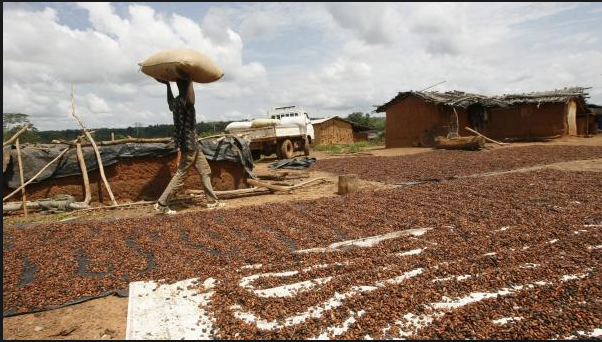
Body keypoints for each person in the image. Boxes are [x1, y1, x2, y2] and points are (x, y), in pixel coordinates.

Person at [154, 77, 225, 214]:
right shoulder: (186, 101)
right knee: (180, 175)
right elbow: (191, 100)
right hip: (189, 144)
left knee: (205, 170)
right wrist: (191, 79)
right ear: (186, 87)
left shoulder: (175, 102)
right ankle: (162, 204)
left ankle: (212, 201)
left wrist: (167, 85)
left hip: (193, 144)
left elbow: (169, 102)